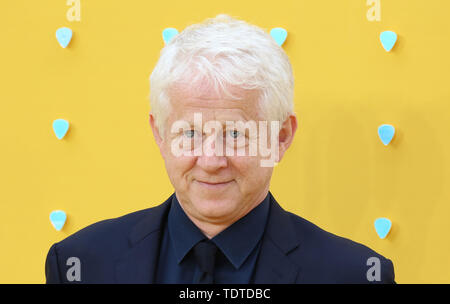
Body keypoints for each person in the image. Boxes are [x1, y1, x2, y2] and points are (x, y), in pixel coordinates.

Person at [45, 14, 395, 284]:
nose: (211, 160)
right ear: (160, 133)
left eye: (235, 134)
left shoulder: (355, 274)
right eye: (191, 133)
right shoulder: (80, 263)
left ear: (282, 137)